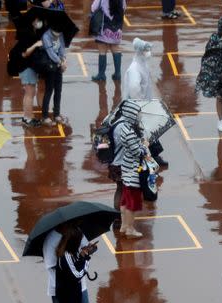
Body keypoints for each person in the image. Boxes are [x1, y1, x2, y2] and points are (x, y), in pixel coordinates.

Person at [43, 223, 108, 303]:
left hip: (78, 285)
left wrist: (86, 252)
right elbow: (53, 264)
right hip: (61, 287)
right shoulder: (51, 239)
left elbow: (80, 251)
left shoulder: (76, 231)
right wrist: (83, 259)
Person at [123, 38, 169, 167]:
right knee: (141, 133)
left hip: (144, 105)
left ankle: (153, 155)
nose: (149, 53)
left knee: (147, 132)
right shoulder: (135, 69)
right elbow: (134, 88)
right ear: (140, 51)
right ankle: (148, 157)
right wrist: (140, 106)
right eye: (147, 50)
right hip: (137, 107)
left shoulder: (142, 65)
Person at [112, 99, 149, 238]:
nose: (139, 115)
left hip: (126, 167)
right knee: (131, 202)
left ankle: (123, 226)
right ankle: (130, 229)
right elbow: (138, 152)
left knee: (125, 200)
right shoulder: (128, 132)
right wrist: (144, 146)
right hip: (132, 170)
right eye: (137, 113)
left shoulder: (125, 128)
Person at [9, 14, 45, 128]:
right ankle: (28, 118)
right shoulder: (26, 35)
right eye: (37, 19)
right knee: (29, 93)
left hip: (29, 66)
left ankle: (29, 117)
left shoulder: (35, 33)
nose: (39, 22)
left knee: (31, 92)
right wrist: (36, 45)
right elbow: (25, 53)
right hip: (25, 67)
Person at [90, 0, 125, 82]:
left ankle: (101, 75)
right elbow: (124, 8)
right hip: (117, 28)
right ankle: (117, 74)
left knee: (102, 50)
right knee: (115, 49)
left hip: (104, 27)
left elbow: (93, 8)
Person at [40, 26, 68, 126]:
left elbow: (62, 48)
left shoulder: (60, 34)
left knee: (58, 90)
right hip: (49, 66)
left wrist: (64, 59)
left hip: (58, 65)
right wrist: (61, 62)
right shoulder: (46, 36)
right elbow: (50, 52)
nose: (58, 34)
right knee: (49, 90)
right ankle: (45, 116)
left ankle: (56, 114)